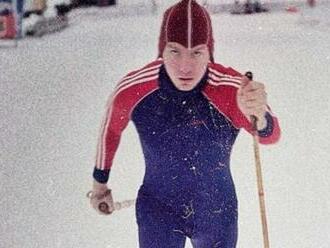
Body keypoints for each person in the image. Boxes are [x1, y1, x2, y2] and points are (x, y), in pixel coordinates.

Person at [89, 0, 281, 247]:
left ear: (209, 52)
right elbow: (111, 128)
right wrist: (99, 185)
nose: (185, 67)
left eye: (197, 52)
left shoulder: (232, 89)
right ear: (162, 50)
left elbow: (271, 135)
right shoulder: (136, 87)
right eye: (175, 51)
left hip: (216, 212)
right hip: (158, 211)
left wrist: (260, 115)